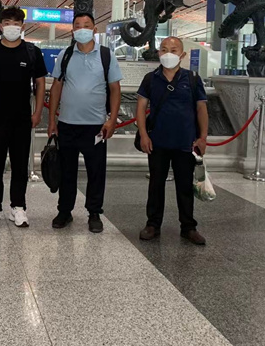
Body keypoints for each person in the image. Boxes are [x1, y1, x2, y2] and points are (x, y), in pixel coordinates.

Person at [47, 13, 122, 233]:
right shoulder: (66, 55)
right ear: (72, 31)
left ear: (94, 30)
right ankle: (64, 211)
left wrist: (111, 120)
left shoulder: (106, 55)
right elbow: (56, 87)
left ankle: (94, 213)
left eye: (86, 25)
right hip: (67, 124)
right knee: (67, 171)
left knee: (96, 172)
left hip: (96, 126)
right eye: (77, 25)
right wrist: (52, 120)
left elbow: (115, 89)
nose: (82, 29)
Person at [0, 7, 47, 228]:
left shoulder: (32, 52)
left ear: (22, 26)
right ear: (0, 26)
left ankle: (18, 207)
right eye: (7, 23)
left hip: (22, 118)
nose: (11, 27)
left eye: (16, 24)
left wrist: (37, 112)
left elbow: (40, 83)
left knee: (20, 164)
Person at [136, 37, 209, 245]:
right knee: (155, 184)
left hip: (185, 143)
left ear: (182, 55)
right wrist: (143, 134)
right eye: (164, 49)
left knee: (185, 186)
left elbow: (201, 108)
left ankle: (188, 227)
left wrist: (203, 138)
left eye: (174, 50)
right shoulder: (150, 79)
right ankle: (153, 224)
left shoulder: (192, 78)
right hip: (157, 142)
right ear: (159, 53)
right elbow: (140, 107)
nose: (168, 53)